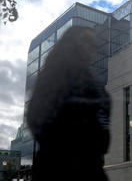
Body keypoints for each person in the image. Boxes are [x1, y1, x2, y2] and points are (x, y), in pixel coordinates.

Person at [27, 26, 111, 181]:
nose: (92, 47)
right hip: (56, 169)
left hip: (91, 169)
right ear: (71, 43)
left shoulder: (96, 87)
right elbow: (37, 120)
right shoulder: (53, 77)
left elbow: (103, 134)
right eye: (86, 41)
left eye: (95, 44)